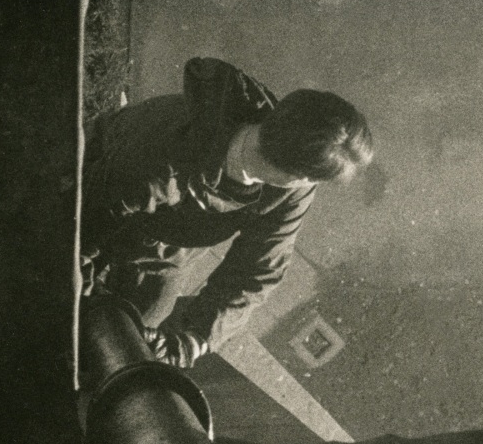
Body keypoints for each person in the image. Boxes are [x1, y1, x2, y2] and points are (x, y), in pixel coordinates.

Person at [81, 56, 373, 366]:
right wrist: (81, 285)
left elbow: (258, 269)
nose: (309, 186)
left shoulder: (291, 188)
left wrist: (196, 338)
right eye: (312, 179)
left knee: (130, 348)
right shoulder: (165, 155)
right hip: (90, 191)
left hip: (162, 254)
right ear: (293, 174)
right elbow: (84, 219)